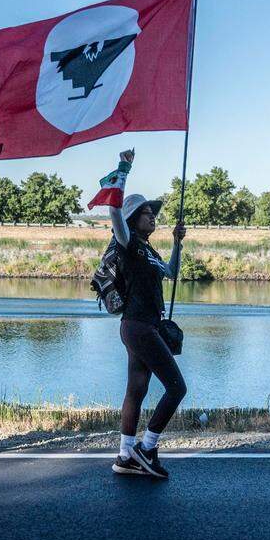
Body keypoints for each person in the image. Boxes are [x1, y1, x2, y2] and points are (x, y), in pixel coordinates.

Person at [105, 150, 187, 479]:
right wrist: (124, 169)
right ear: (132, 218)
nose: (153, 216)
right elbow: (113, 210)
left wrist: (177, 243)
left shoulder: (148, 249)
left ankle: (125, 455)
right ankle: (147, 448)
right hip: (138, 327)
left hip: (142, 326)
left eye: (154, 213)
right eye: (147, 213)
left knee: (136, 390)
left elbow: (170, 272)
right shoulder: (126, 241)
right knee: (177, 388)